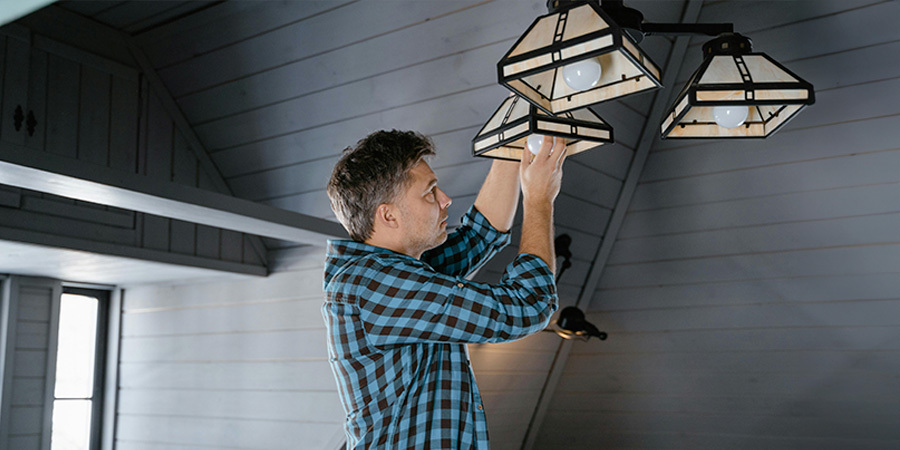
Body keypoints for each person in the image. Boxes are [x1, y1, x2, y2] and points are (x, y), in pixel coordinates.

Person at [323, 130, 566, 449]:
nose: (445, 199)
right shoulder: (371, 283)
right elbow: (528, 306)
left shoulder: (395, 270)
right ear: (389, 215)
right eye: (430, 192)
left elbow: (480, 235)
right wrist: (539, 199)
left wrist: (511, 140)